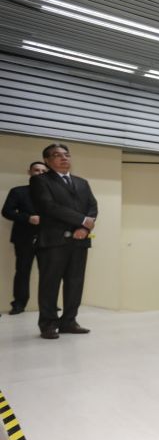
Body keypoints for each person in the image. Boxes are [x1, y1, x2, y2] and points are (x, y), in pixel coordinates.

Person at [30, 144, 97, 340]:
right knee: (49, 284)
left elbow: (92, 207)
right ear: (47, 161)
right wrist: (81, 220)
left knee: (75, 283)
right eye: (57, 155)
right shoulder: (40, 181)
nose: (64, 158)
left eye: (66, 155)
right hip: (53, 241)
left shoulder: (82, 182)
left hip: (80, 241)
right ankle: (48, 324)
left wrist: (84, 228)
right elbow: (49, 207)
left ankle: (69, 321)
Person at [2, 162, 48, 314]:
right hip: (23, 238)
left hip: (48, 239)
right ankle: (19, 305)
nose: (40, 173)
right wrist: (27, 218)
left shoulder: (53, 193)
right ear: (29, 172)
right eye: (36, 170)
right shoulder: (18, 191)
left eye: (43, 171)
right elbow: (7, 211)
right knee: (22, 271)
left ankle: (48, 305)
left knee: (48, 273)